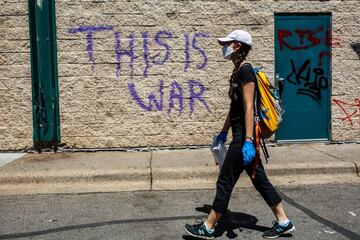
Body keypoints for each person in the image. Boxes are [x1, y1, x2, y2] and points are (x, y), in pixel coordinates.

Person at [184, 30, 295, 239]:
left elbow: (248, 108)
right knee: (259, 179)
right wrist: (223, 132)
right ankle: (283, 221)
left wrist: (247, 141)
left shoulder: (246, 71)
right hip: (238, 134)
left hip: (244, 136)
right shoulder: (237, 71)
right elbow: (234, 108)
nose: (223, 47)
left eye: (227, 43)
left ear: (237, 46)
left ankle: (208, 227)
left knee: (225, 180)